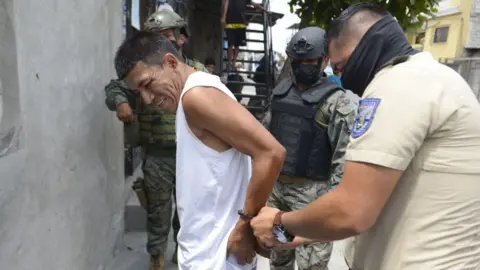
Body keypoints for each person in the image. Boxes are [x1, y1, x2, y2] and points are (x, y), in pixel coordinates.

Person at [251, 3, 480, 270]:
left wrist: (279, 221)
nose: (341, 77)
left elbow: (351, 209)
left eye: (340, 67)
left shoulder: (401, 84)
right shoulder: (426, 77)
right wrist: (307, 230)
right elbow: (381, 195)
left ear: (367, 45)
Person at [114, 31, 286, 270]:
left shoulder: (196, 97)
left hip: (217, 257)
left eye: (147, 84)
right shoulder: (192, 94)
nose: (146, 98)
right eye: (138, 92)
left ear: (171, 62)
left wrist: (244, 227)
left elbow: (271, 153)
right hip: (208, 253)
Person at [104, 10, 208, 270]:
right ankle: (156, 258)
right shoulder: (144, 72)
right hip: (158, 157)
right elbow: (115, 87)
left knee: (188, 212)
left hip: (191, 157)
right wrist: (120, 103)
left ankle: (183, 257)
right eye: (155, 38)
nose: (161, 43)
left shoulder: (196, 72)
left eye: (167, 36)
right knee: (157, 212)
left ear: (181, 38)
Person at [263, 26, 357, 270]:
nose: (303, 65)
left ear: (325, 59)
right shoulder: (280, 93)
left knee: (312, 264)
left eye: (310, 60)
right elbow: (265, 140)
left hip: (313, 196)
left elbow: (343, 159)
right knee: (279, 258)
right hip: (277, 191)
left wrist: (331, 204)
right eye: (298, 60)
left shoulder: (337, 101)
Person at [221, 0, 268, 71]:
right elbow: (226, 5)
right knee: (230, 44)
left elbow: (254, 4)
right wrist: (223, 17)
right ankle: (229, 63)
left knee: (237, 45)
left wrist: (265, 10)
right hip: (230, 23)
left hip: (241, 24)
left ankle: (233, 63)